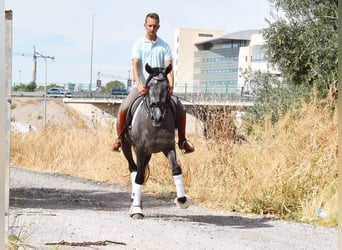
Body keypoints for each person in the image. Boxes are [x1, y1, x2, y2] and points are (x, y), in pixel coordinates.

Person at [111, 12, 194, 153]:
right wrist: (138, 84)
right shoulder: (138, 44)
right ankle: (119, 139)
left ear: (158, 27)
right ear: (145, 25)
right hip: (143, 87)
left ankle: (182, 141)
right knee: (125, 106)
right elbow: (135, 66)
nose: (152, 28)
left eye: (155, 26)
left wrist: (171, 84)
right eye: (149, 25)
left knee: (180, 107)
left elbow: (169, 68)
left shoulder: (164, 46)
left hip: (160, 89)